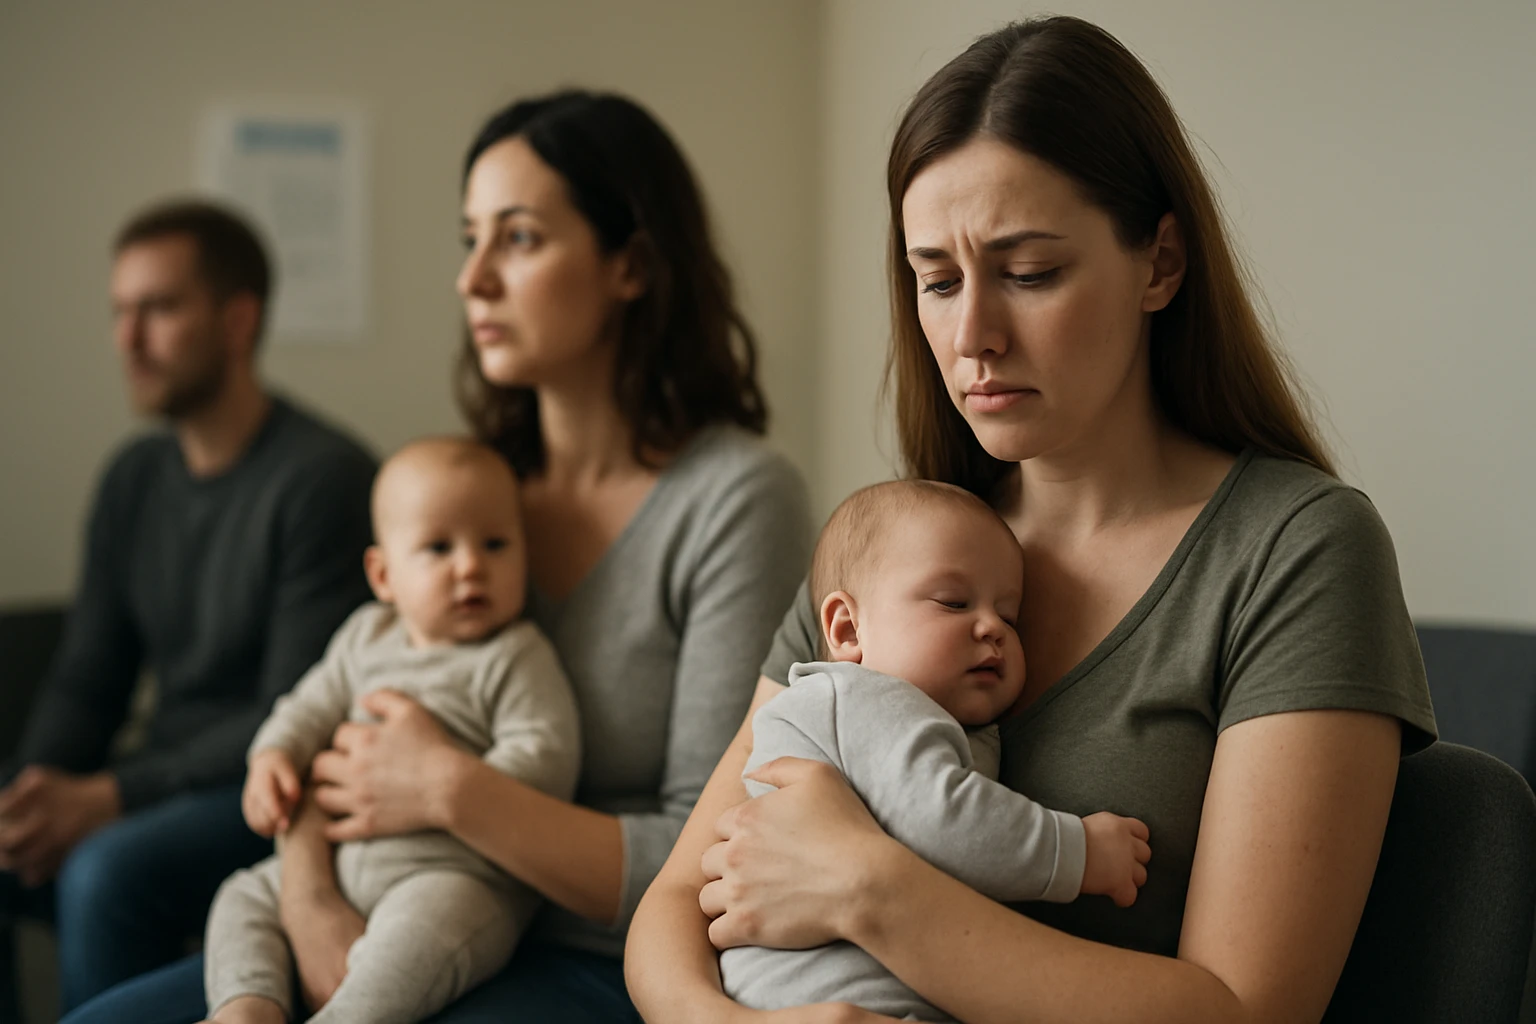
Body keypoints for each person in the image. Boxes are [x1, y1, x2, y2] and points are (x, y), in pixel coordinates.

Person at [626, 16, 1437, 1024]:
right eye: (937, 280)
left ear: (1161, 263)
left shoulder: (1297, 550)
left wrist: (867, 888)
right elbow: (671, 907)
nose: (972, 336)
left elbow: (1245, 1010)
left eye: (1029, 273)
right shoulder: (894, 554)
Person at [64, 90, 812, 1024]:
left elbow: (709, 852)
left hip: (594, 958)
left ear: (631, 265)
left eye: (520, 239)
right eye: (470, 240)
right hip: (364, 905)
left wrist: (452, 790)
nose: (473, 280)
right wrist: (309, 904)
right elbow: (338, 709)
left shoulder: (736, 498)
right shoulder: (465, 494)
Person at [0, 201, 376, 1020]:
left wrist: (104, 800)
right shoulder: (132, 477)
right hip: (156, 776)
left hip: (266, 791)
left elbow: (291, 712)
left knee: (106, 868)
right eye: (119, 312)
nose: (126, 339)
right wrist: (34, 795)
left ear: (238, 320)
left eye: (158, 309)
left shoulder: (323, 481)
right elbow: (87, 676)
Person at [722, 480, 1150, 1022]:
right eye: (953, 602)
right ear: (847, 628)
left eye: (1010, 616)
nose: (992, 627)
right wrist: (1079, 852)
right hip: (830, 995)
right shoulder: (862, 699)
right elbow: (944, 817)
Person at [204, 438, 581, 1024]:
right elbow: (308, 705)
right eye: (438, 547)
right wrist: (274, 755)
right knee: (242, 895)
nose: (471, 565)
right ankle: (247, 1006)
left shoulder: (515, 656)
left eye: (496, 544)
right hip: (336, 861)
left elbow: (549, 755)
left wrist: (441, 789)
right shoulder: (365, 637)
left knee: (424, 934)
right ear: (384, 575)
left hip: (453, 872)